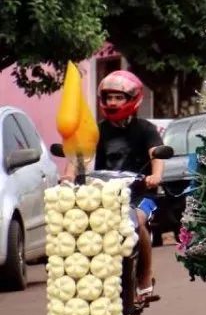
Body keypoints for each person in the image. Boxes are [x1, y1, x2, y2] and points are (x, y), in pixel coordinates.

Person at [64, 70, 163, 302]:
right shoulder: (96, 131)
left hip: (139, 196)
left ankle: (145, 278)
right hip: (104, 195)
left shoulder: (145, 129)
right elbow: (81, 158)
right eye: (108, 97)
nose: (112, 102)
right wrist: (68, 177)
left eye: (118, 97)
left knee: (138, 221)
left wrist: (155, 175)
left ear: (133, 99)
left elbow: (156, 154)